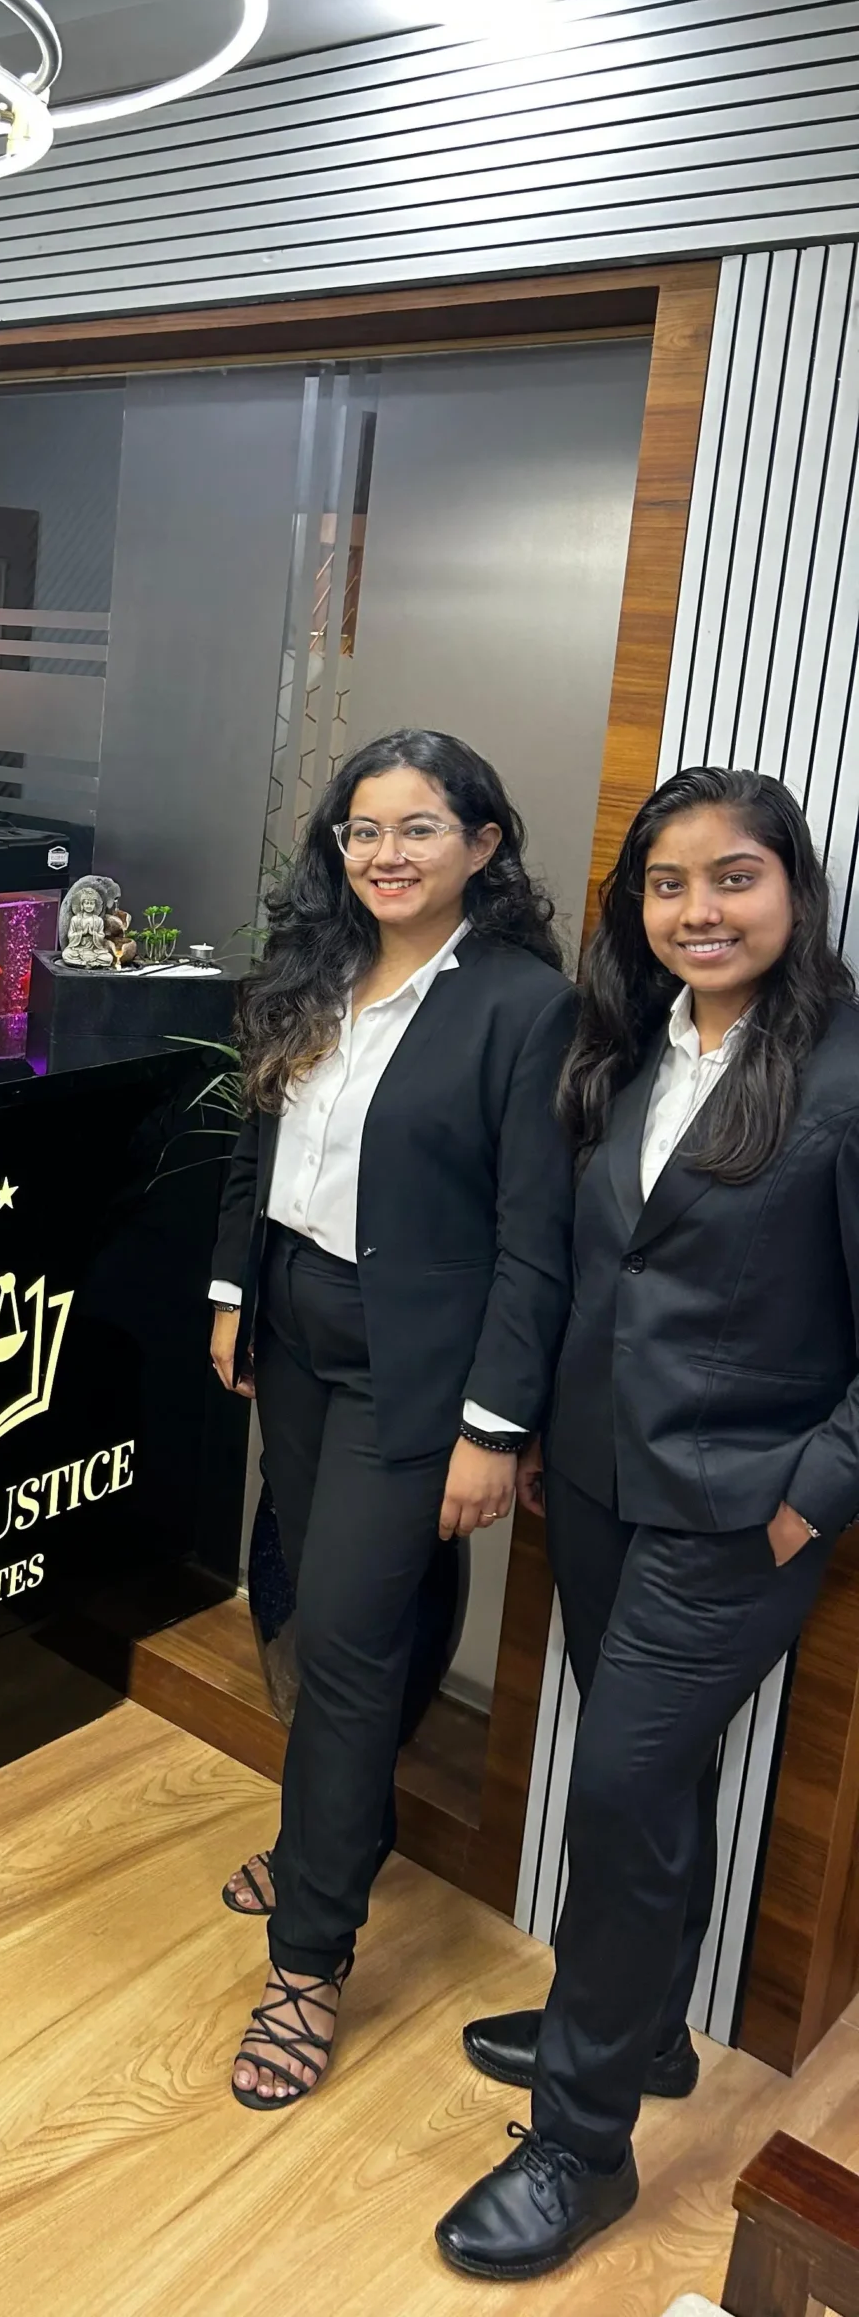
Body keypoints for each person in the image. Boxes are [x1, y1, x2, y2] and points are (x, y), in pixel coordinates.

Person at [437, 769, 859, 2281]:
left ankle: (581, 2139)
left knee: (616, 1791)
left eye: (734, 877)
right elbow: (596, 1270)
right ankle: (646, 2027)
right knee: (649, 1777)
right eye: (667, 884)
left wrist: (811, 1497)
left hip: (738, 1516)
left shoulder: (846, 1073)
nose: (700, 910)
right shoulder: (629, 1047)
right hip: (602, 1487)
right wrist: (544, 1436)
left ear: (793, 887)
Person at [209, 729, 577, 2111]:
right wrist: (233, 1289)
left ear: (483, 844)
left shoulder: (524, 1006)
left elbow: (536, 1241)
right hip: (294, 1325)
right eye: (363, 829)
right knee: (340, 1602)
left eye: (419, 828)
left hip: (410, 1368)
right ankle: (335, 1832)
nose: (385, 854)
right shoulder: (313, 964)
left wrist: (493, 1424)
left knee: (348, 1648)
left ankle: (309, 1961)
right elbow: (254, 1140)